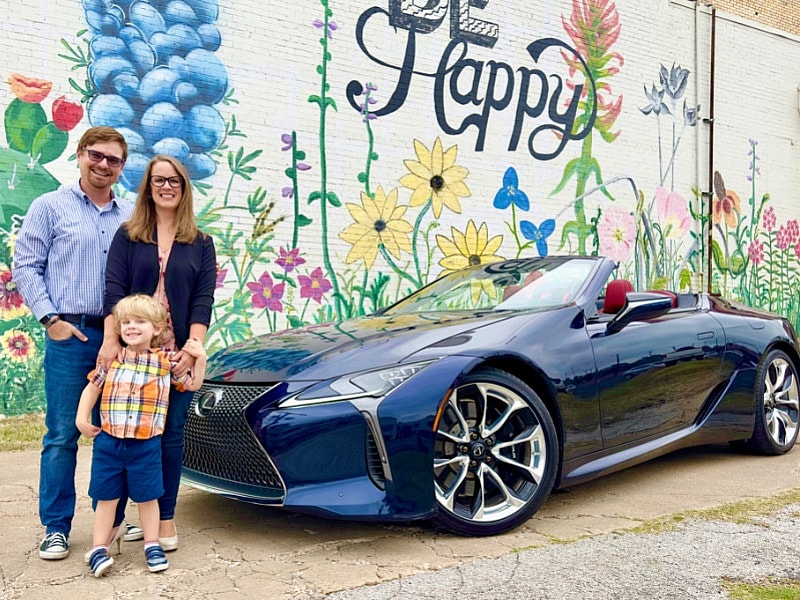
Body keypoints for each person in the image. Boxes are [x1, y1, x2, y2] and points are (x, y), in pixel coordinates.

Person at [12, 126, 133, 560]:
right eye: (96, 156)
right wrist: (50, 320)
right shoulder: (50, 206)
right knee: (63, 434)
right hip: (71, 335)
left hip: (120, 339)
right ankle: (57, 527)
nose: (104, 165)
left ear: (122, 167)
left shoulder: (130, 215)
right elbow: (25, 264)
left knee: (117, 431)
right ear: (80, 155)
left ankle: (113, 521)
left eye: (113, 160)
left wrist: (123, 333)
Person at [100, 154, 217, 552]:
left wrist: (193, 346)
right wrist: (111, 340)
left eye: (174, 181)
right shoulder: (128, 235)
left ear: (184, 189)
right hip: (132, 356)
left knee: (169, 438)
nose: (166, 187)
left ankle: (164, 518)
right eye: (158, 181)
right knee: (119, 436)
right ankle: (112, 522)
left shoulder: (200, 243)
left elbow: (203, 300)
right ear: (147, 187)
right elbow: (113, 292)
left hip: (175, 359)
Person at [76, 294, 207, 577]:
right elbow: (92, 389)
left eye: (140, 321)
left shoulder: (165, 362)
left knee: (148, 498)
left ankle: (151, 545)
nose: (131, 327)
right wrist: (81, 419)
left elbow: (192, 383)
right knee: (106, 497)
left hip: (146, 445)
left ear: (157, 329)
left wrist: (201, 357)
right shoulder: (112, 359)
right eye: (126, 322)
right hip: (109, 443)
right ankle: (99, 548)